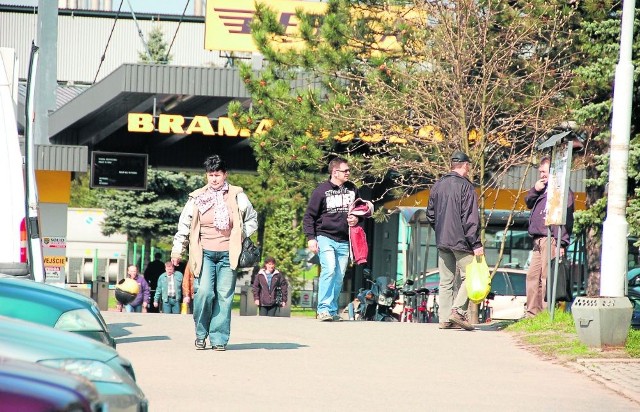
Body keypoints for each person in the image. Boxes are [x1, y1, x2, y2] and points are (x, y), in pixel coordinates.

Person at [171, 154, 258, 351]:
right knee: (204, 293)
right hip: (204, 254)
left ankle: (218, 338)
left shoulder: (237, 196)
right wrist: (177, 250)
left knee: (224, 296)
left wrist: (240, 233)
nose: (214, 179)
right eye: (211, 175)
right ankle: (201, 334)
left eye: (218, 174)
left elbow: (252, 219)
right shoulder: (197, 198)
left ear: (225, 175)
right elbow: (184, 225)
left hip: (229, 254)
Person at [426, 151, 484, 331]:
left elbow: (430, 214)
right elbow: (470, 218)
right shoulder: (466, 187)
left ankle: (444, 320)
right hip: (462, 241)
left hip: (442, 241)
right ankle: (458, 311)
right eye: (469, 166)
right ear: (465, 165)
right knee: (472, 276)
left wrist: (441, 231)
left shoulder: (438, 185)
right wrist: (475, 243)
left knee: (446, 281)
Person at [303, 156, 362, 322]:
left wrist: (357, 219)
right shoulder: (321, 191)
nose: (348, 173)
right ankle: (323, 309)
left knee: (339, 275)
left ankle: (332, 309)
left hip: (344, 239)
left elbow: (360, 211)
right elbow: (309, 216)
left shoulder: (352, 189)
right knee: (329, 270)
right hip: (325, 236)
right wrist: (311, 238)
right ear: (335, 172)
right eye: (345, 171)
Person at [524, 156, 574, 317]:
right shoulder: (542, 190)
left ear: (553, 172)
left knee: (547, 277)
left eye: (544, 172)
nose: (542, 175)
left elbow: (566, 219)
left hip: (551, 238)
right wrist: (535, 190)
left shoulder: (562, 191)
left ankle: (546, 313)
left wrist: (562, 243)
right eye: (540, 172)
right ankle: (532, 313)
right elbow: (528, 202)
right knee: (532, 276)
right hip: (538, 240)